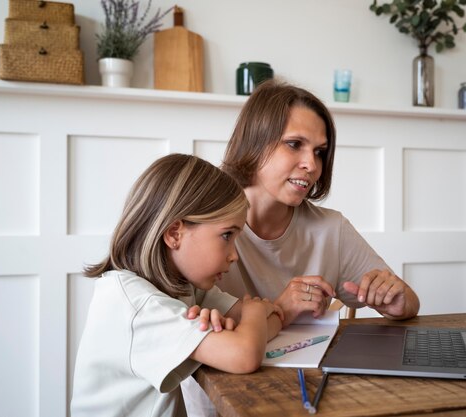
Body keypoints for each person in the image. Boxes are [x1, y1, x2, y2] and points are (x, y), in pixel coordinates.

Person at [71, 154, 283, 417]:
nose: (234, 255)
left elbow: (271, 324)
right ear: (174, 234)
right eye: (227, 235)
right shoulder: (138, 306)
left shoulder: (184, 286)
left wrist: (244, 328)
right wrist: (253, 314)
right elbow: (245, 355)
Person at [218, 80, 420, 326]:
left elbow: (409, 300)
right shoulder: (204, 222)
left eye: (319, 152)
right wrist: (280, 310)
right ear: (254, 143)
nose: (312, 166)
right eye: (294, 144)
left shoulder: (331, 228)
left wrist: (397, 302)